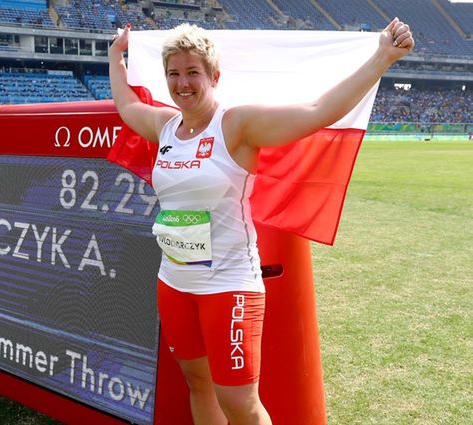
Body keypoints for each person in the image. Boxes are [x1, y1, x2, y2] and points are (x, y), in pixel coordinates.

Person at [109, 19, 414, 425]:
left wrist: (382, 58)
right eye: (174, 74)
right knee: (197, 384)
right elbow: (127, 105)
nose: (183, 83)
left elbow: (317, 111)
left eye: (193, 72)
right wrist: (115, 58)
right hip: (174, 282)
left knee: (239, 403)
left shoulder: (236, 125)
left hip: (229, 285)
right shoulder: (164, 126)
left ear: (214, 76)